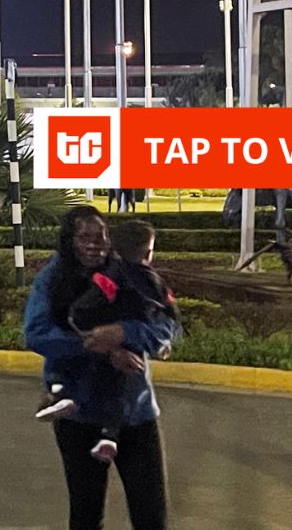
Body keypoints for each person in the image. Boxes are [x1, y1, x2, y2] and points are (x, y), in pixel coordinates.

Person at [25, 206, 178, 530]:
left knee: (152, 516)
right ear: (69, 241)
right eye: (85, 237)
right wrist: (98, 346)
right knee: (86, 514)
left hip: (135, 415)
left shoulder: (130, 273)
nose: (95, 244)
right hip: (79, 417)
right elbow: (37, 335)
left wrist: (126, 332)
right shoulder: (51, 280)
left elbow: (168, 326)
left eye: (101, 237)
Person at [53, 220, 180, 464]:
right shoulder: (152, 280)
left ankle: (104, 432)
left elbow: (78, 314)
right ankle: (108, 435)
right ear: (148, 252)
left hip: (113, 398)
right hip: (118, 393)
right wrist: (120, 341)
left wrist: (113, 333)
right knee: (121, 381)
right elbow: (171, 319)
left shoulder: (103, 277)